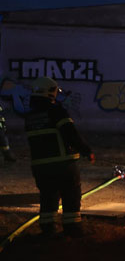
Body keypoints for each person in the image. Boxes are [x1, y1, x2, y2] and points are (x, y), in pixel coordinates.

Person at [24, 77, 95, 237]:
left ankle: (48, 229)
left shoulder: (30, 117)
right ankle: (72, 229)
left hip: (40, 168)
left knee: (48, 197)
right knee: (71, 196)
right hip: (63, 165)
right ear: (50, 92)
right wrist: (86, 151)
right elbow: (71, 134)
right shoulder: (56, 111)